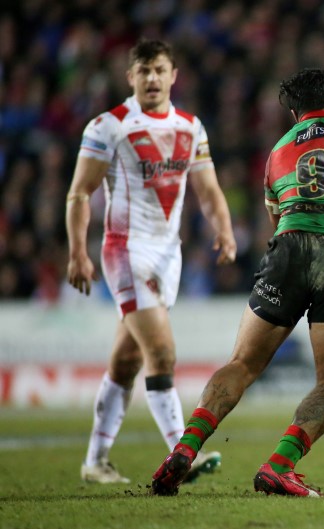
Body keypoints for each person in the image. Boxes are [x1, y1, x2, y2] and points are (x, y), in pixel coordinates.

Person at [150, 68, 324, 498]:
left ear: (295, 114)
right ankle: (281, 464)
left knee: (242, 363)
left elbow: (276, 219)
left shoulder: (277, 151)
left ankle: (184, 448)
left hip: (287, 251)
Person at [66, 39, 237, 484]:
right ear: (130, 78)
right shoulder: (108, 126)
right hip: (125, 250)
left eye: (159, 70)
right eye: (143, 71)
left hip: (167, 255)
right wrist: (77, 251)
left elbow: (208, 189)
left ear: (174, 74)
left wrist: (224, 228)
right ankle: (183, 453)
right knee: (161, 352)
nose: (152, 79)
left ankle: (95, 462)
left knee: (125, 363)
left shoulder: (190, 126)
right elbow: (80, 192)